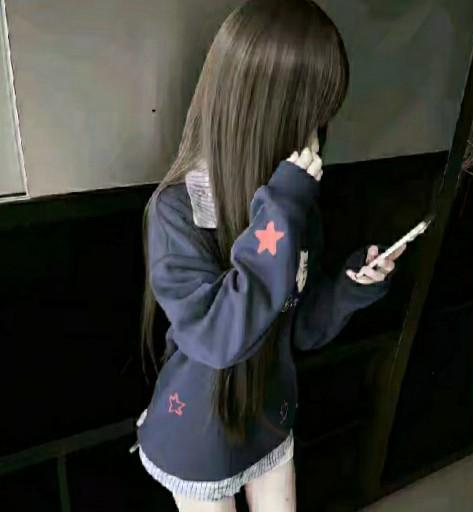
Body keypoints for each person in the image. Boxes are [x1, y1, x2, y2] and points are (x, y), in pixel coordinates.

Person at [133, 1, 406, 510]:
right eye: (308, 120)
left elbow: (297, 327)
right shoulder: (178, 210)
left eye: (321, 120)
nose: (315, 140)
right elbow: (221, 338)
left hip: (269, 419)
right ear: (266, 113)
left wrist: (350, 288)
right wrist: (282, 207)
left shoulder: (293, 206)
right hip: (199, 437)